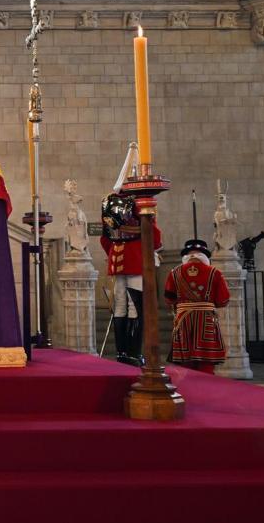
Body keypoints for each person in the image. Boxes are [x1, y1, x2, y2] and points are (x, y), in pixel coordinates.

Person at [100, 143, 162, 367]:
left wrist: (115, 248)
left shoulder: (109, 202)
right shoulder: (138, 203)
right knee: (135, 304)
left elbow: (105, 238)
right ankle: (134, 353)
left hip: (117, 258)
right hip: (136, 257)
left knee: (119, 305)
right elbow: (155, 238)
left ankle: (122, 352)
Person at [164, 240, 229, 374]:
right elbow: (224, 300)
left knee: (185, 363)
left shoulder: (174, 273)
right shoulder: (215, 272)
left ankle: (189, 391)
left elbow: (169, 299)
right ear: (204, 255)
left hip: (183, 321)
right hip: (206, 322)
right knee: (206, 362)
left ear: (186, 255)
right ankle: (206, 391)